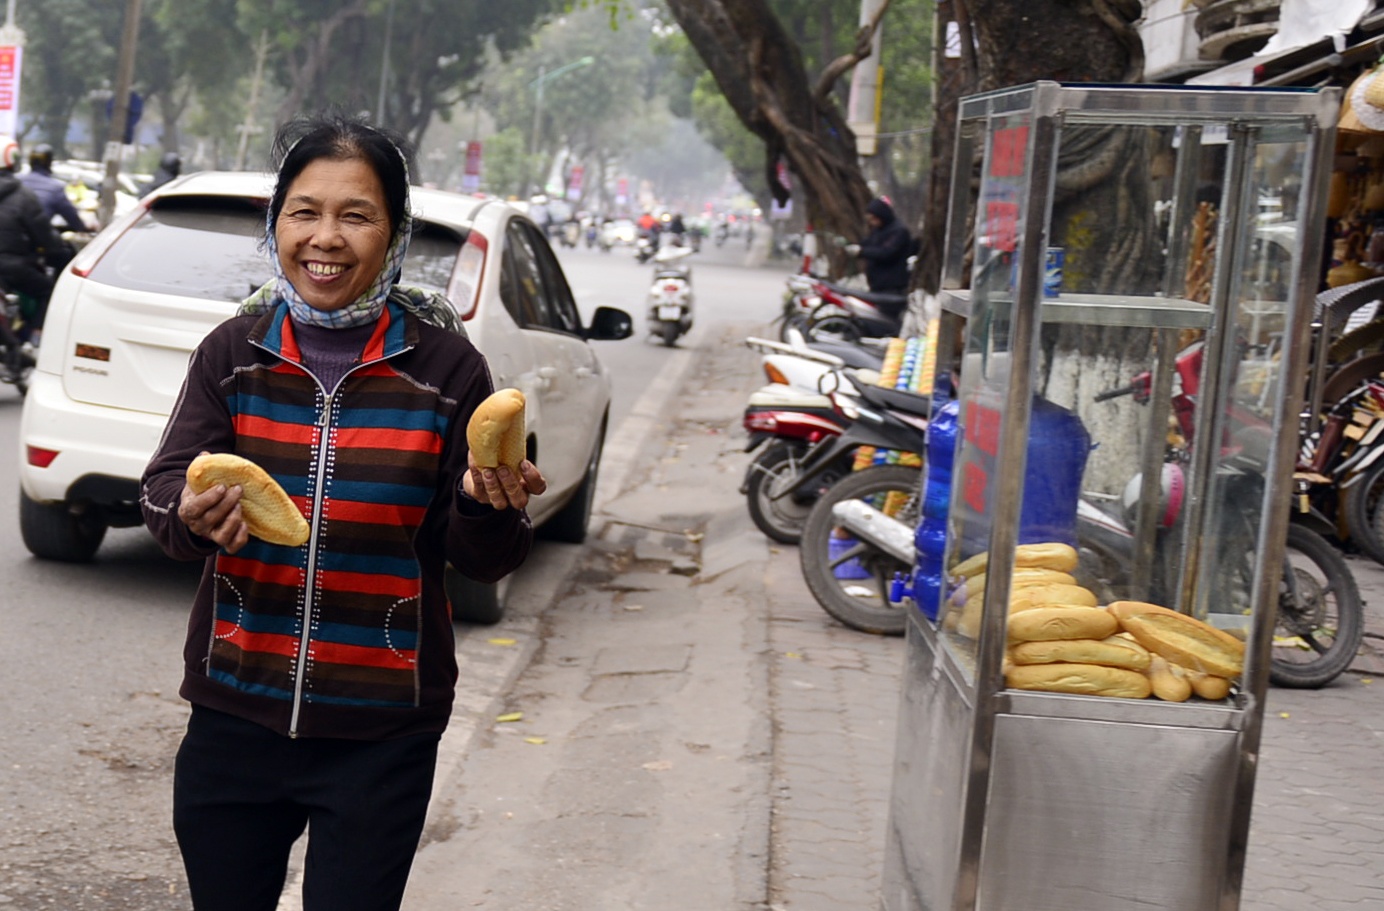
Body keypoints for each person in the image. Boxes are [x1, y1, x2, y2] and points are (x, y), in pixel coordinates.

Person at [139, 112, 547, 911]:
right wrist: (190, 512)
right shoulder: (234, 352)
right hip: (234, 714)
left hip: (382, 733)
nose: (325, 238)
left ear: (394, 233)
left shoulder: (445, 368)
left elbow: (486, 557)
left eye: (356, 215)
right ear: (277, 222)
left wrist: (484, 505)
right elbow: (161, 489)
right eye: (305, 211)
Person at [0, 135, 66, 345]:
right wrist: (56, 246)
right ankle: (35, 338)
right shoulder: (24, 195)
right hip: (12, 267)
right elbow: (45, 237)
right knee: (50, 290)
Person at [843, 197, 914, 294]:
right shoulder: (878, 230)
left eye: (874, 218)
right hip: (877, 285)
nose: (872, 222)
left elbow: (886, 252)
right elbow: (868, 243)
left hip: (893, 286)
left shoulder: (899, 231)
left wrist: (862, 252)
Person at [18, 143, 90, 234]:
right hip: (34, 238)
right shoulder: (55, 188)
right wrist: (83, 227)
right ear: (49, 162)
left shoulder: (17, 181)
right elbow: (72, 218)